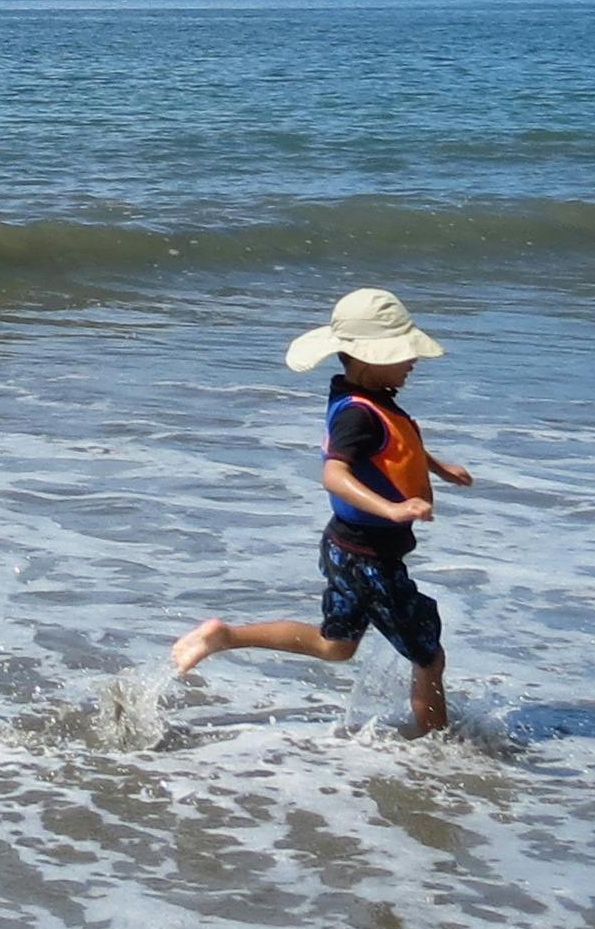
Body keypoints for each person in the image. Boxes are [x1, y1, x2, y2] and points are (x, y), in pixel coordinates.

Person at [170, 289, 472, 735]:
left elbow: (392, 449)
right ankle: (440, 749)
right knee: (429, 654)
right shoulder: (358, 415)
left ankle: (225, 636)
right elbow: (334, 474)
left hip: (347, 548)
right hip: (368, 558)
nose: (413, 361)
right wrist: (392, 508)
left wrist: (437, 467)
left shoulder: (370, 398)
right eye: (403, 352)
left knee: (336, 646)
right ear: (368, 359)